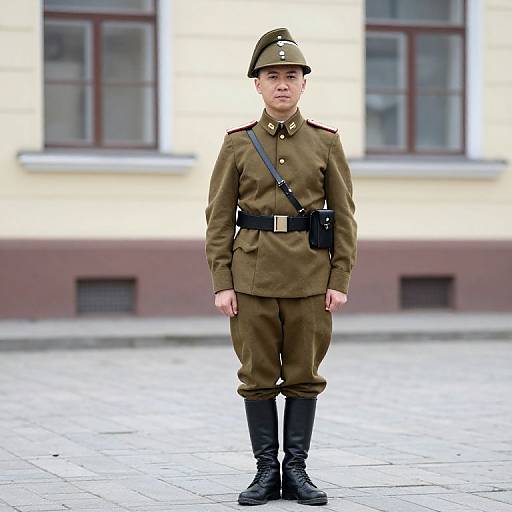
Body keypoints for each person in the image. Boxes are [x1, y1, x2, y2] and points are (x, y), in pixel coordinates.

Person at [204, 27, 357, 506]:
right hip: (250, 279)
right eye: (273, 76)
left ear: (303, 83)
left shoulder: (326, 143)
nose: (283, 84)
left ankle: (297, 471)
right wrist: (221, 282)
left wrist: (339, 279)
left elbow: (346, 216)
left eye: (291, 76)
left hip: (310, 279)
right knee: (256, 375)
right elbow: (217, 217)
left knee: (304, 375)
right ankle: (265, 473)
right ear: (258, 84)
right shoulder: (237, 145)